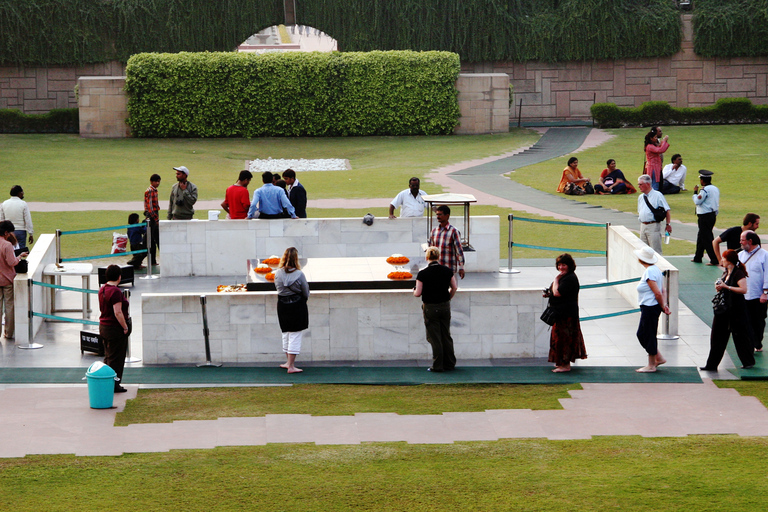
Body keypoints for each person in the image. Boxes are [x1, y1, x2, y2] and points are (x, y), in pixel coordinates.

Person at [701, 250, 756, 371]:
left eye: (723, 258)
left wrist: (727, 287)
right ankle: (711, 365)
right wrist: (719, 287)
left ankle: (748, 361)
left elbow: (743, 290)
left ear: (729, 260)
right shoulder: (726, 272)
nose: (721, 260)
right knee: (717, 336)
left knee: (740, 336)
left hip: (736, 311)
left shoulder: (738, 273)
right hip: (724, 310)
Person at [414, 246, 458, 372]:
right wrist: (448, 298)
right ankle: (450, 364)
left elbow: (418, 293)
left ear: (427, 257)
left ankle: (438, 365)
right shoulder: (447, 271)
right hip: (444, 305)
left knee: (434, 337)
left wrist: (413, 291)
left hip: (430, 308)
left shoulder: (423, 274)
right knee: (446, 335)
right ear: (438, 256)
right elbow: (454, 287)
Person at [543, 253, 587, 373]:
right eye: (559, 265)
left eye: (564, 265)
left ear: (569, 265)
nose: (561, 267)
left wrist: (556, 279)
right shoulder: (565, 277)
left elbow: (558, 293)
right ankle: (562, 363)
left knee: (564, 339)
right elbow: (554, 291)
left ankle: (565, 365)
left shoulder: (569, 278)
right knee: (559, 339)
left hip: (567, 315)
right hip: (561, 314)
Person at [274, 247, 309, 374]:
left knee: (286, 332)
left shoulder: (277, 273)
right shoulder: (299, 274)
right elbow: (305, 291)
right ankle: (291, 366)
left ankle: (288, 362)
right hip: (297, 305)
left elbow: (278, 288)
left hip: (282, 305)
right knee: (295, 334)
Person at [634, 246, 669, 373]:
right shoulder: (655, 270)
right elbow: (662, 290)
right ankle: (658, 357)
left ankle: (651, 364)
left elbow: (658, 292)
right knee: (644, 334)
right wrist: (664, 305)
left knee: (647, 334)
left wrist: (662, 305)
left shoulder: (650, 272)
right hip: (650, 307)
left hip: (650, 307)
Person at [98, 264, 130, 393]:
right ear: (119, 277)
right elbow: (118, 312)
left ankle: (106, 382)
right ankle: (114, 384)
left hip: (104, 326)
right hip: (114, 328)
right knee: (116, 358)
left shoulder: (103, 289)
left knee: (108, 357)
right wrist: (125, 327)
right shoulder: (115, 291)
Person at [738, 231, 768, 351]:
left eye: (742, 240)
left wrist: (765, 293)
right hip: (744, 294)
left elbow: (767, 274)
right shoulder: (740, 255)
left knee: (758, 321)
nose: (740, 242)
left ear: (750, 241)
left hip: (758, 295)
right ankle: (749, 343)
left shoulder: (764, 255)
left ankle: (757, 342)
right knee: (745, 321)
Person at [0, 221, 27, 340]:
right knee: (9, 307)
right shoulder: (7, 245)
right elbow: (12, 262)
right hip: (7, 280)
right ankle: (8, 332)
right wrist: (19, 257)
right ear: (6, 232)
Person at [637, 174, 672, 254]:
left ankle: (659, 266)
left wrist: (668, 224)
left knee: (655, 251)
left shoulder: (657, 195)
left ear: (648, 184)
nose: (639, 186)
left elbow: (667, 210)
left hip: (653, 226)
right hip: (643, 226)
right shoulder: (640, 197)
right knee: (643, 251)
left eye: (640, 184)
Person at [691, 170, 720, 265]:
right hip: (712, 215)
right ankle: (698, 256)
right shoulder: (715, 189)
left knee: (707, 238)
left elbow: (697, 201)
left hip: (704, 216)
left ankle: (714, 259)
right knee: (701, 236)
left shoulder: (704, 190)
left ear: (702, 180)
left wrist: (695, 193)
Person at [429, 205, 465, 279]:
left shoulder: (454, 231)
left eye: (440, 214)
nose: (438, 217)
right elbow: (431, 249)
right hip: (437, 269)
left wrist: (461, 267)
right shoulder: (434, 231)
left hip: (449, 269)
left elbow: (459, 250)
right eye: (437, 214)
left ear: (447, 216)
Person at [0, 185, 33, 249]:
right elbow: (28, 220)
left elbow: (1, 219)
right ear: (19, 193)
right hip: (21, 231)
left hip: (8, 232)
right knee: (20, 252)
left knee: (9, 251)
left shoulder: (4, 203)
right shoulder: (23, 204)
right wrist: (30, 233)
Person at [644, 126, 669, 191]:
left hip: (656, 167)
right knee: (655, 185)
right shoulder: (650, 146)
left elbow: (659, 147)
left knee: (656, 183)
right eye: (655, 137)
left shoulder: (651, 146)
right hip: (653, 168)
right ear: (651, 138)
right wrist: (664, 141)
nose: (656, 139)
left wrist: (663, 142)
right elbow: (660, 150)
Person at [144, 173, 161, 266]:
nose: (158, 183)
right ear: (151, 181)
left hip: (153, 216)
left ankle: (153, 261)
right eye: (156, 181)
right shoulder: (150, 191)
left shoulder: (154, 190)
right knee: (154, 239)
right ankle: (153, 260)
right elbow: (150, 207)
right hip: (152, 216)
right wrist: (156, 219)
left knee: (154, 239)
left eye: (159, 181)